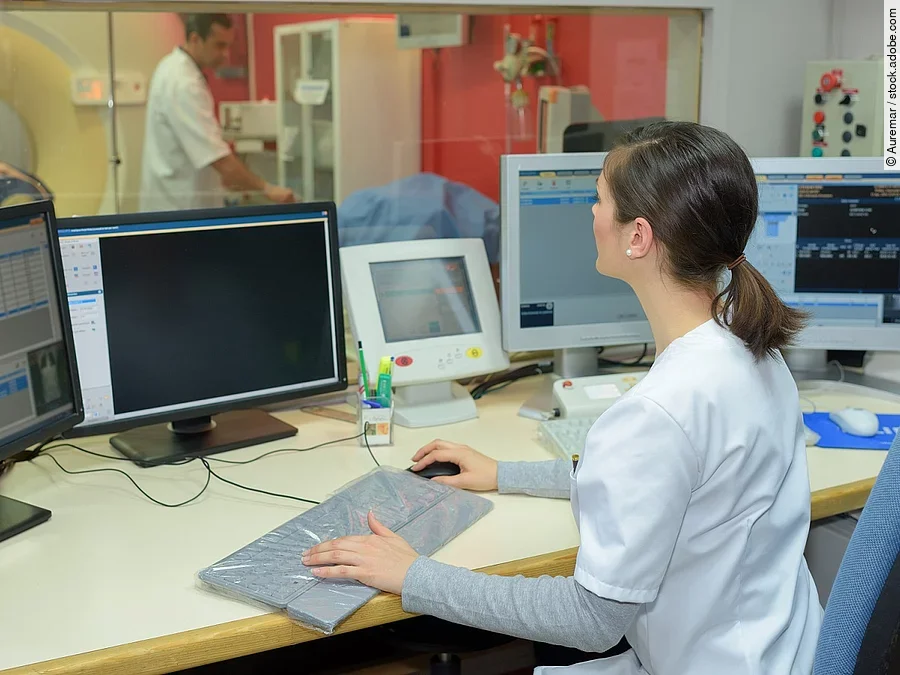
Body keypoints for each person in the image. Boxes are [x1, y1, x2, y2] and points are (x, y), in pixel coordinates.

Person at [302, 121, 824, 674]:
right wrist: (505, 473)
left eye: (599, 199)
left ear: (638, 236)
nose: (592, 214)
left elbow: (589, 620)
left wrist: (412, 575)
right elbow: (669, 487)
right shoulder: (752, 349)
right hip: (778, 653)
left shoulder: (659, 411)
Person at [139, 14, 293, 212]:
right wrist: (268, 189)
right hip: (179, 207)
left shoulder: (171, 67)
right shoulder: (184, 83)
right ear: (195, 39)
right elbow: (218, 159)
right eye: (219, 45)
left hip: (178, 201)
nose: (226, 54)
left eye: (228, 46)